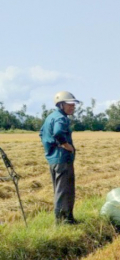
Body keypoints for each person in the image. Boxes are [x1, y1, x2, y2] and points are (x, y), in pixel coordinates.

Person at [39, 91, 80, 224]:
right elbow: (57, 133)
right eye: (70, 104)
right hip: (63, 159)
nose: (73, 107)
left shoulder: (50, 117)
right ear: (61, 104)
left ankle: (64, 219)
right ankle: (64, 221)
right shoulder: (61, 118)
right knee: (65, 191)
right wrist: (66, 145)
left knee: (59, 190)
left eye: (74, 104)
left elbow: (42, 133)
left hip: (53, 159)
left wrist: (49, 147)